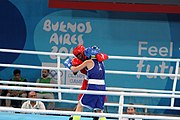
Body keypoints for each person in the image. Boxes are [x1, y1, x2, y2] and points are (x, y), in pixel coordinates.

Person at [64, 45, 108, 120]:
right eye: (77, 56)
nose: (79, 57)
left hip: (92, 85)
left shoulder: (89, 61)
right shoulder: (101, 61)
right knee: (99, 109)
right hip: (101, 85)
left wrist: (69, 65)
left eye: (80, 54)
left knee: (81, 104)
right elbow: (75, 72)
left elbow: (74, 70)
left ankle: (76, 118)